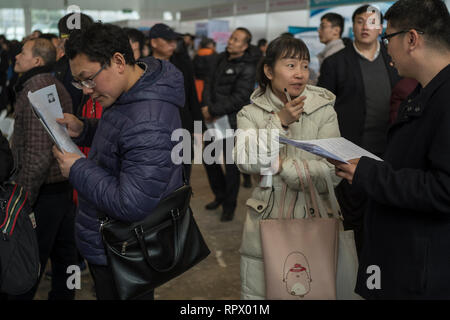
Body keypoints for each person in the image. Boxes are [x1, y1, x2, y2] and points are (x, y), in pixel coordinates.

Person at [53, 22, 184, 300]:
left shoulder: (149, 119)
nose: (86, 90)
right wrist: (85, 128)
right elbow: (124, 137)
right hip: (113, 241)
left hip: (126, 248)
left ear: (118, 61)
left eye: (89, 78)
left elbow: (131, 202)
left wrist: (77, 167)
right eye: (79, 82)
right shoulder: (133, 88)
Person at [330, 0, 450, 299]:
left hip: (423, 269)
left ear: (411, 39)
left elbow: (444, 188)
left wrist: (370, 174)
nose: (386, 48)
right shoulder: (425, 90)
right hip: (405, 255)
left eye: (388, 38)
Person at [233, 36, 342, 300]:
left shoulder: (323, 110)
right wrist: (278, 122)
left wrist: (283, 166)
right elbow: (245, 160)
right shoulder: (250, 113)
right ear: (269, 71)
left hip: (315, 213)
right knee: (262, 292)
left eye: (305, 66)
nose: (300, 74)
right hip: (265, 217)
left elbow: (332, 171)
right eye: (291, 65)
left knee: (315, 287)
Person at [317, 4, 400, 256]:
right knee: (354, 218)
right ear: (352, 26)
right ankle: (356, 271)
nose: (366, 27)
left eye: (372, 22)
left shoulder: (393, 59)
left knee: (385, 214)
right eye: (360, 21)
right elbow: (323, 108)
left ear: (381, 28)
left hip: (389, 153)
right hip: (351, 152)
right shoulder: (336, 62)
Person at [9, 38, 77, 300]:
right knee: (64, 254)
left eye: (22, 53)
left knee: (29, 260)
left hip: (45, 192)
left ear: (37, 61)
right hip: (57, 187)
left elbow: (38, 154)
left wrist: (22, 199)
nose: (16, 56)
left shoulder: (37, 89)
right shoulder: (46, 83)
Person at [201, 27, 259, 222]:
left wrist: (214, 111)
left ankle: (229, 205)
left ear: (244, 45)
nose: (231, 41)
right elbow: (208, 83)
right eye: (231, 38)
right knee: (209, 160)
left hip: (230, 122)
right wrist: (207, 107)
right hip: (211, 120)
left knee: (231, 166)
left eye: (236, 40)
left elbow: (240, 97)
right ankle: (219, 195)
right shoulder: (219, 58)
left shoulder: (249, 67)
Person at [149, 23, 202, 182]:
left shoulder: (183, 64)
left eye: (174, 41)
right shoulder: (143, 68)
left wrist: (198, 129)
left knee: (184, 175)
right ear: (154, 42)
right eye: (168, 40)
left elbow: (192, 98)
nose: (173, 44)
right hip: (155, 133)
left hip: (183, 129)